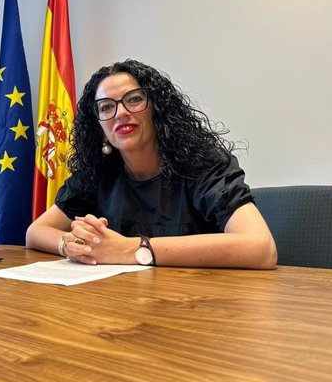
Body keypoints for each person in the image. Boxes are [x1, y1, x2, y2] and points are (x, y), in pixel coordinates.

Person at [26, 59, 277, 269]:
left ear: (157, 110)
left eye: (134, 100)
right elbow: (36, 232)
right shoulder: (97, 172)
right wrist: (72, 244)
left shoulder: (203, 165)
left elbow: (261, 248)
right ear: (100, 129)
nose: (121, 112)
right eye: (106, 107)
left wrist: (129, 249)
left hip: (199, 304)